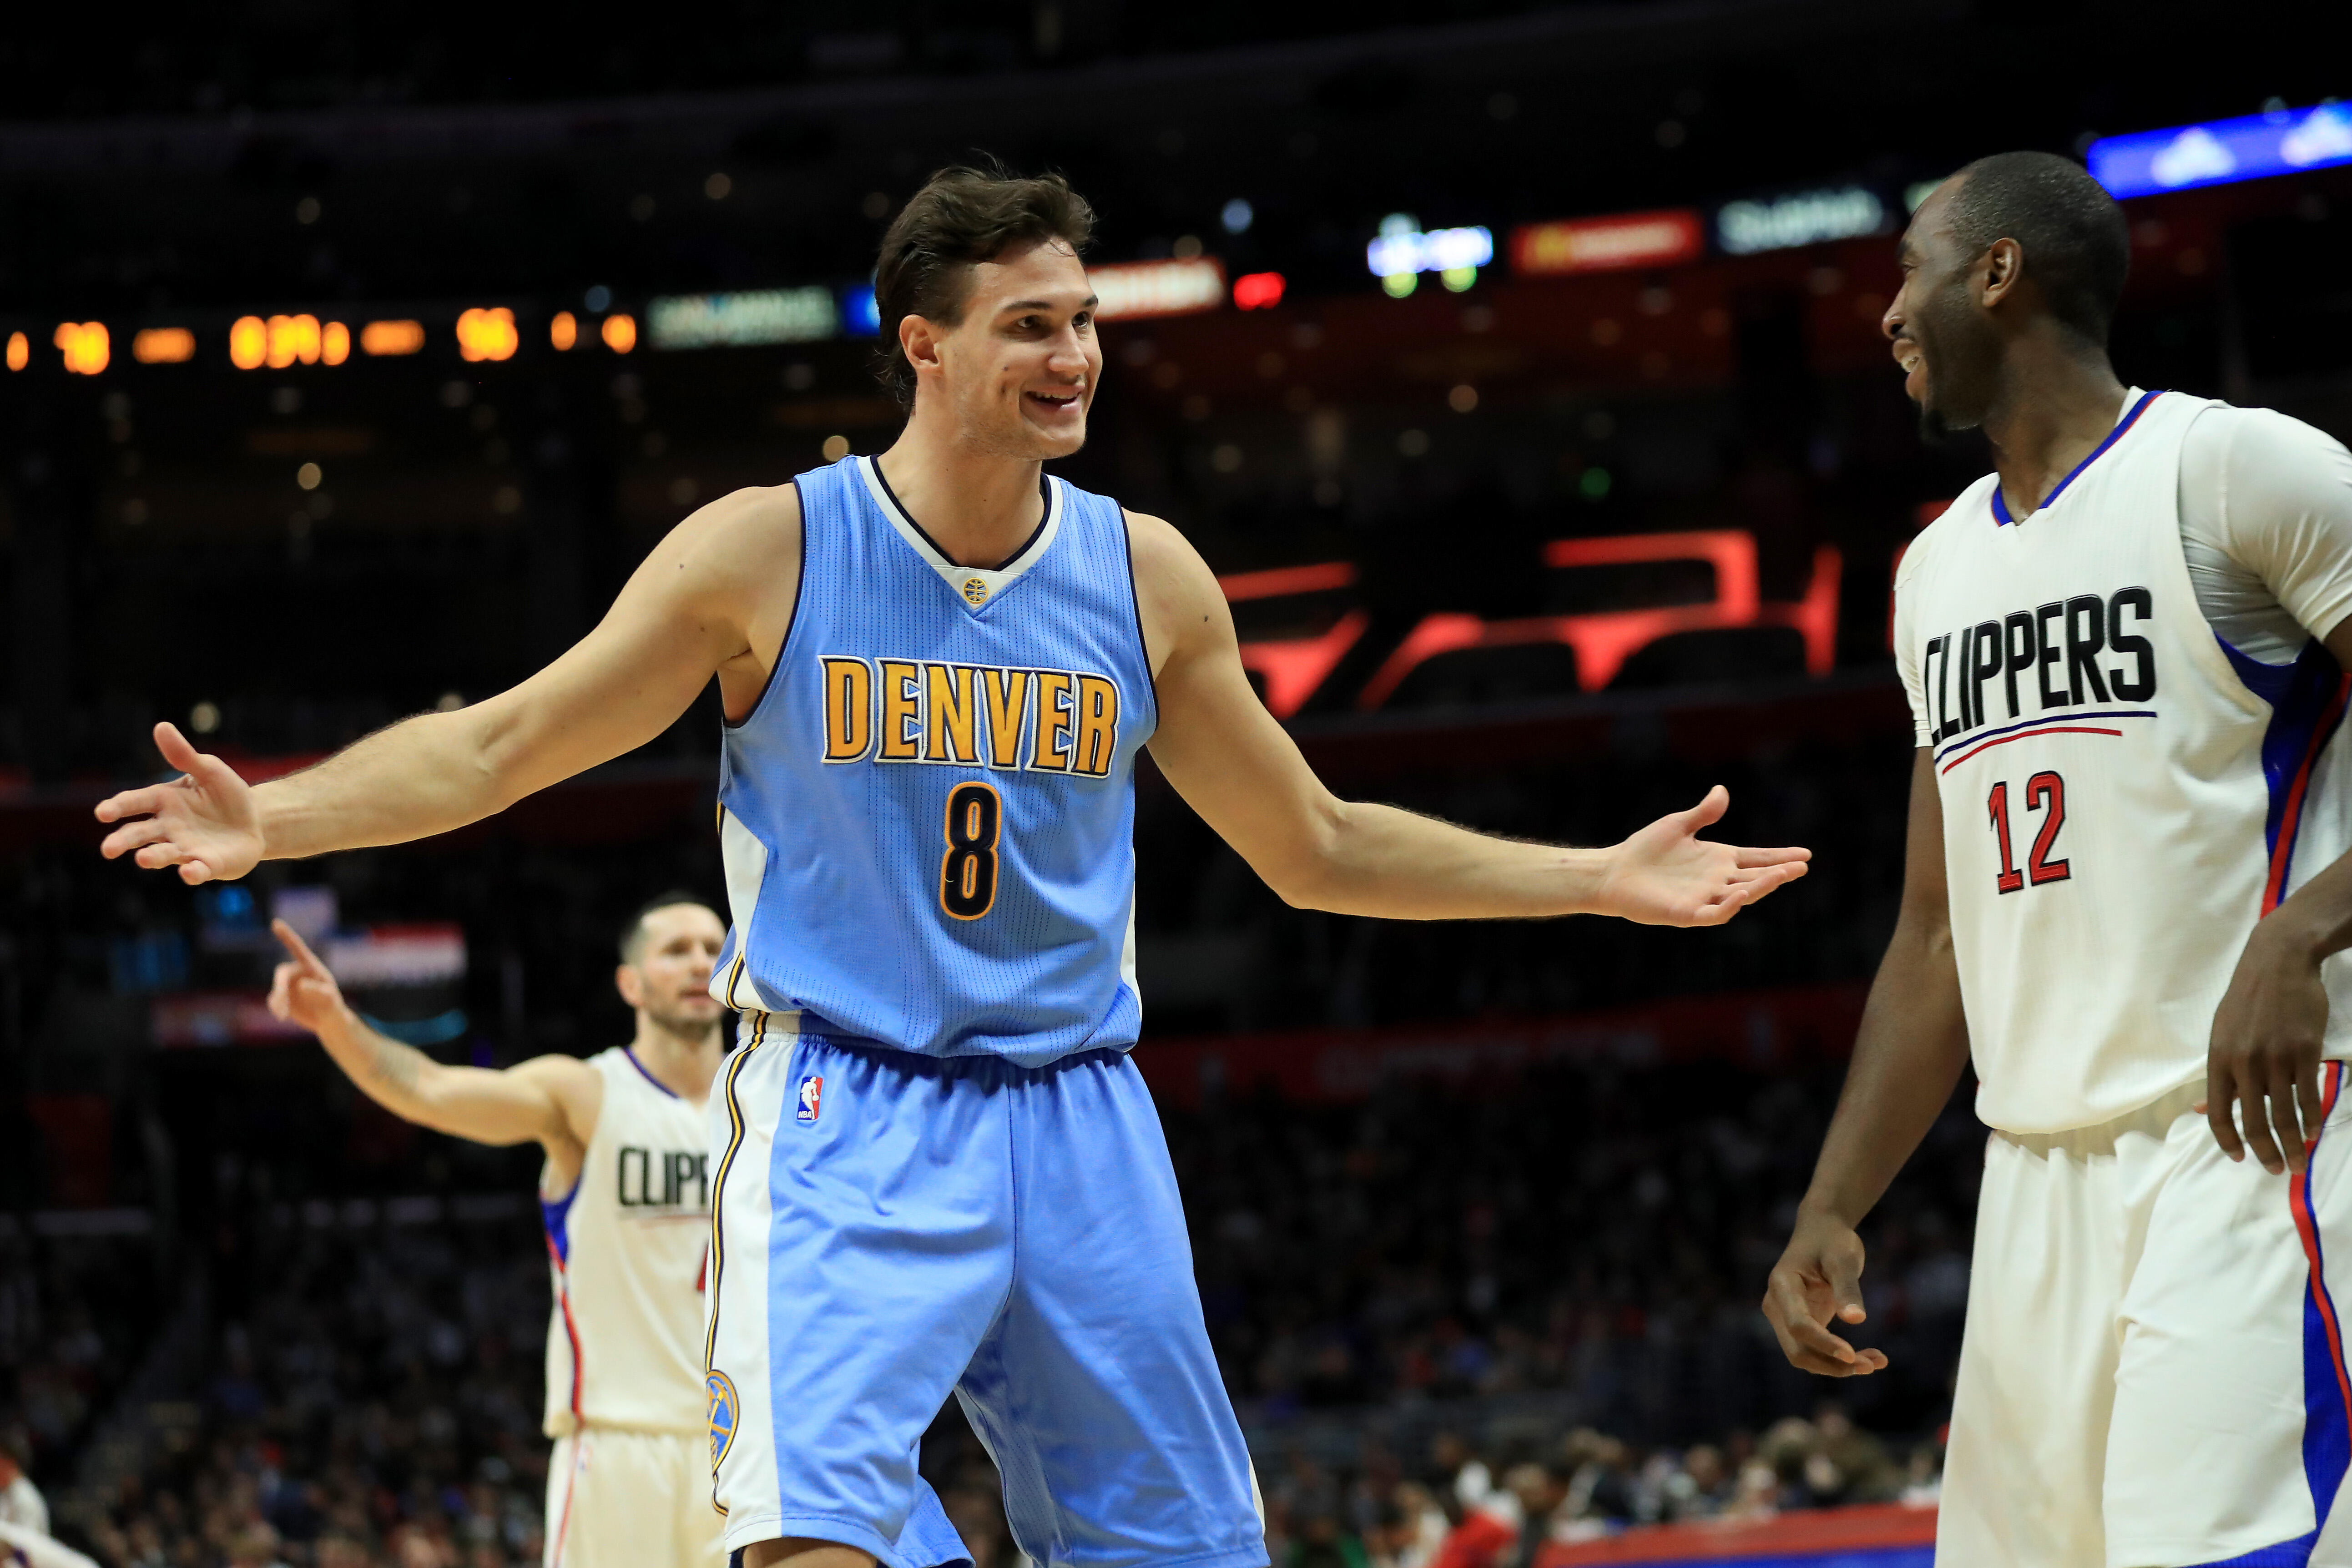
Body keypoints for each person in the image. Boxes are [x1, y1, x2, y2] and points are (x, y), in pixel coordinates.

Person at [98, 163, 1810, 1568]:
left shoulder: (1147, 579)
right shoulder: (770, 550)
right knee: (806, 1544)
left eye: (1082, 322)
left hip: (1081, 1113)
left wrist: (1591, 875)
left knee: (1183, 1551)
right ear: (921, 344)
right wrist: (282, 814)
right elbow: (498, 743)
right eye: (1028, 326)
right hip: (850, 1107)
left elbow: (1320, 845)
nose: (1072, 356)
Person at [1761, 150, 2352, 1566]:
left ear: (1999, 271)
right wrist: (1833, 1203)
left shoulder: (2236, 468)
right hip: (2032, 1172)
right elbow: (1935, 935)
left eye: (1909, 269)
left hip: (2249, 1135)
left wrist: (2299, 935)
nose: (1890, 313)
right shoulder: (1933, 572)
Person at [265, 895, 967, 1568]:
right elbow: (426, 1089)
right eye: (674, 950)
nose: (699, 962)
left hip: (756, 1449)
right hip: (619, 1444)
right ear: (629, 983)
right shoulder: (585, 1095)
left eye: (712, 947)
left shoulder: (782, 1101)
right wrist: (336, 1023)